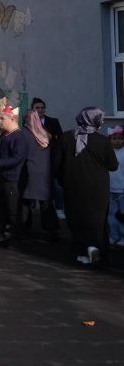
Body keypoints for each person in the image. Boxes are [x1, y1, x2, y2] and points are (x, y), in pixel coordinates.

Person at [59, 108, 118, 265]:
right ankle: (96, 247)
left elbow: (58, 163)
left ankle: (83, 250)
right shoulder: (103, 141)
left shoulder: (66, 137)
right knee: (97, 219)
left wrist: (62, 180)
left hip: (73, 185)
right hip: (98, 187)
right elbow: (113, 165)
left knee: (76, 218)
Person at [0, 104, 28, 246]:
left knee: (13, 210)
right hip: (0, 177)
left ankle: (16, 238)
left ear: (12, 119)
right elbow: (2, 151)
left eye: (2, 118)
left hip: (12, 179)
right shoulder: (4, 135)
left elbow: (17, 158)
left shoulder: (19, 137)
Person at [21, 110, 57, 237]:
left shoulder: (24, 133)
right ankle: (50, 229)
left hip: (29, 170)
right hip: (44, 170)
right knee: (45, 201)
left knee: (26, 201)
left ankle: (24, 227)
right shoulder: (45, 133)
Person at [107, 127, 124, 247]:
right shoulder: (108, 152)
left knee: (122, 215)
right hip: (110, 189)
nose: (117, 141)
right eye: (114, 138)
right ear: (110, 139)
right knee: (111, 215)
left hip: (122, 190)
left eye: (120, 138)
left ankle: (123, 237)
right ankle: (114, 236)